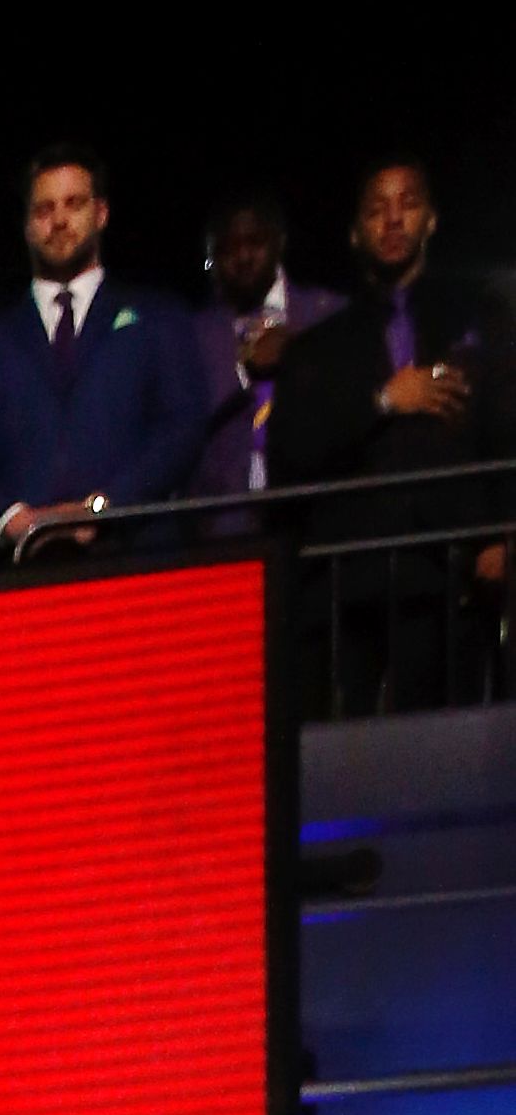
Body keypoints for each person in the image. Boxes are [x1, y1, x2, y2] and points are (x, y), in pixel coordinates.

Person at [270, 158, 514, 713]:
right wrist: (383, 400)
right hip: (351, 581)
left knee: (456, 753)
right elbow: (294, 451)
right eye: (377, 210)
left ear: (431, 219)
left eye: (407, 204)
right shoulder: (320, 347)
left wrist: (499, 533)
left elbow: (504, 428)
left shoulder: (480, 315)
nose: (394, 220)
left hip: (455, 570)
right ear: (356, 233)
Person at [0, 145, 208, 558]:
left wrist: (103, 508)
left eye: (74, 204)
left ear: (101, 213)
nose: (59, 220)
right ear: (27, 225)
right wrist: (13, 519)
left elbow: (181, 427)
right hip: (20, 573)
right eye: (44, 209)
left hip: (139, 559)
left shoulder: (158, 319)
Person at [190, 191, 343, 506]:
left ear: (279, 242)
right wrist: (242, 371)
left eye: (255, 242)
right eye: (230, 247)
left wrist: (297, 359)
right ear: (213, 255)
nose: (244, 256)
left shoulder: (326, 315)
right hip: (222, 521)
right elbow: (181, 423)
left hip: (312, 513)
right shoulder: (193, 333)